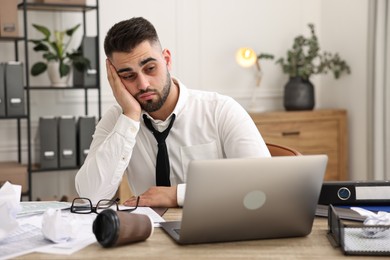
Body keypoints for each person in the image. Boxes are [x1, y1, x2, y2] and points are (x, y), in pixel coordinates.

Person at [75, 17, 270, 208]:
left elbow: (263, 183)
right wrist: (130, 116)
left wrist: (177, 195)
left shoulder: (220, 110)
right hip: (149, 235)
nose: (143, 84)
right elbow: (89, 197)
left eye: (150, 68)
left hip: (215, 231)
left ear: (167, 60)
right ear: (115, 78)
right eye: (128, 76)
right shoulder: (119, 119)